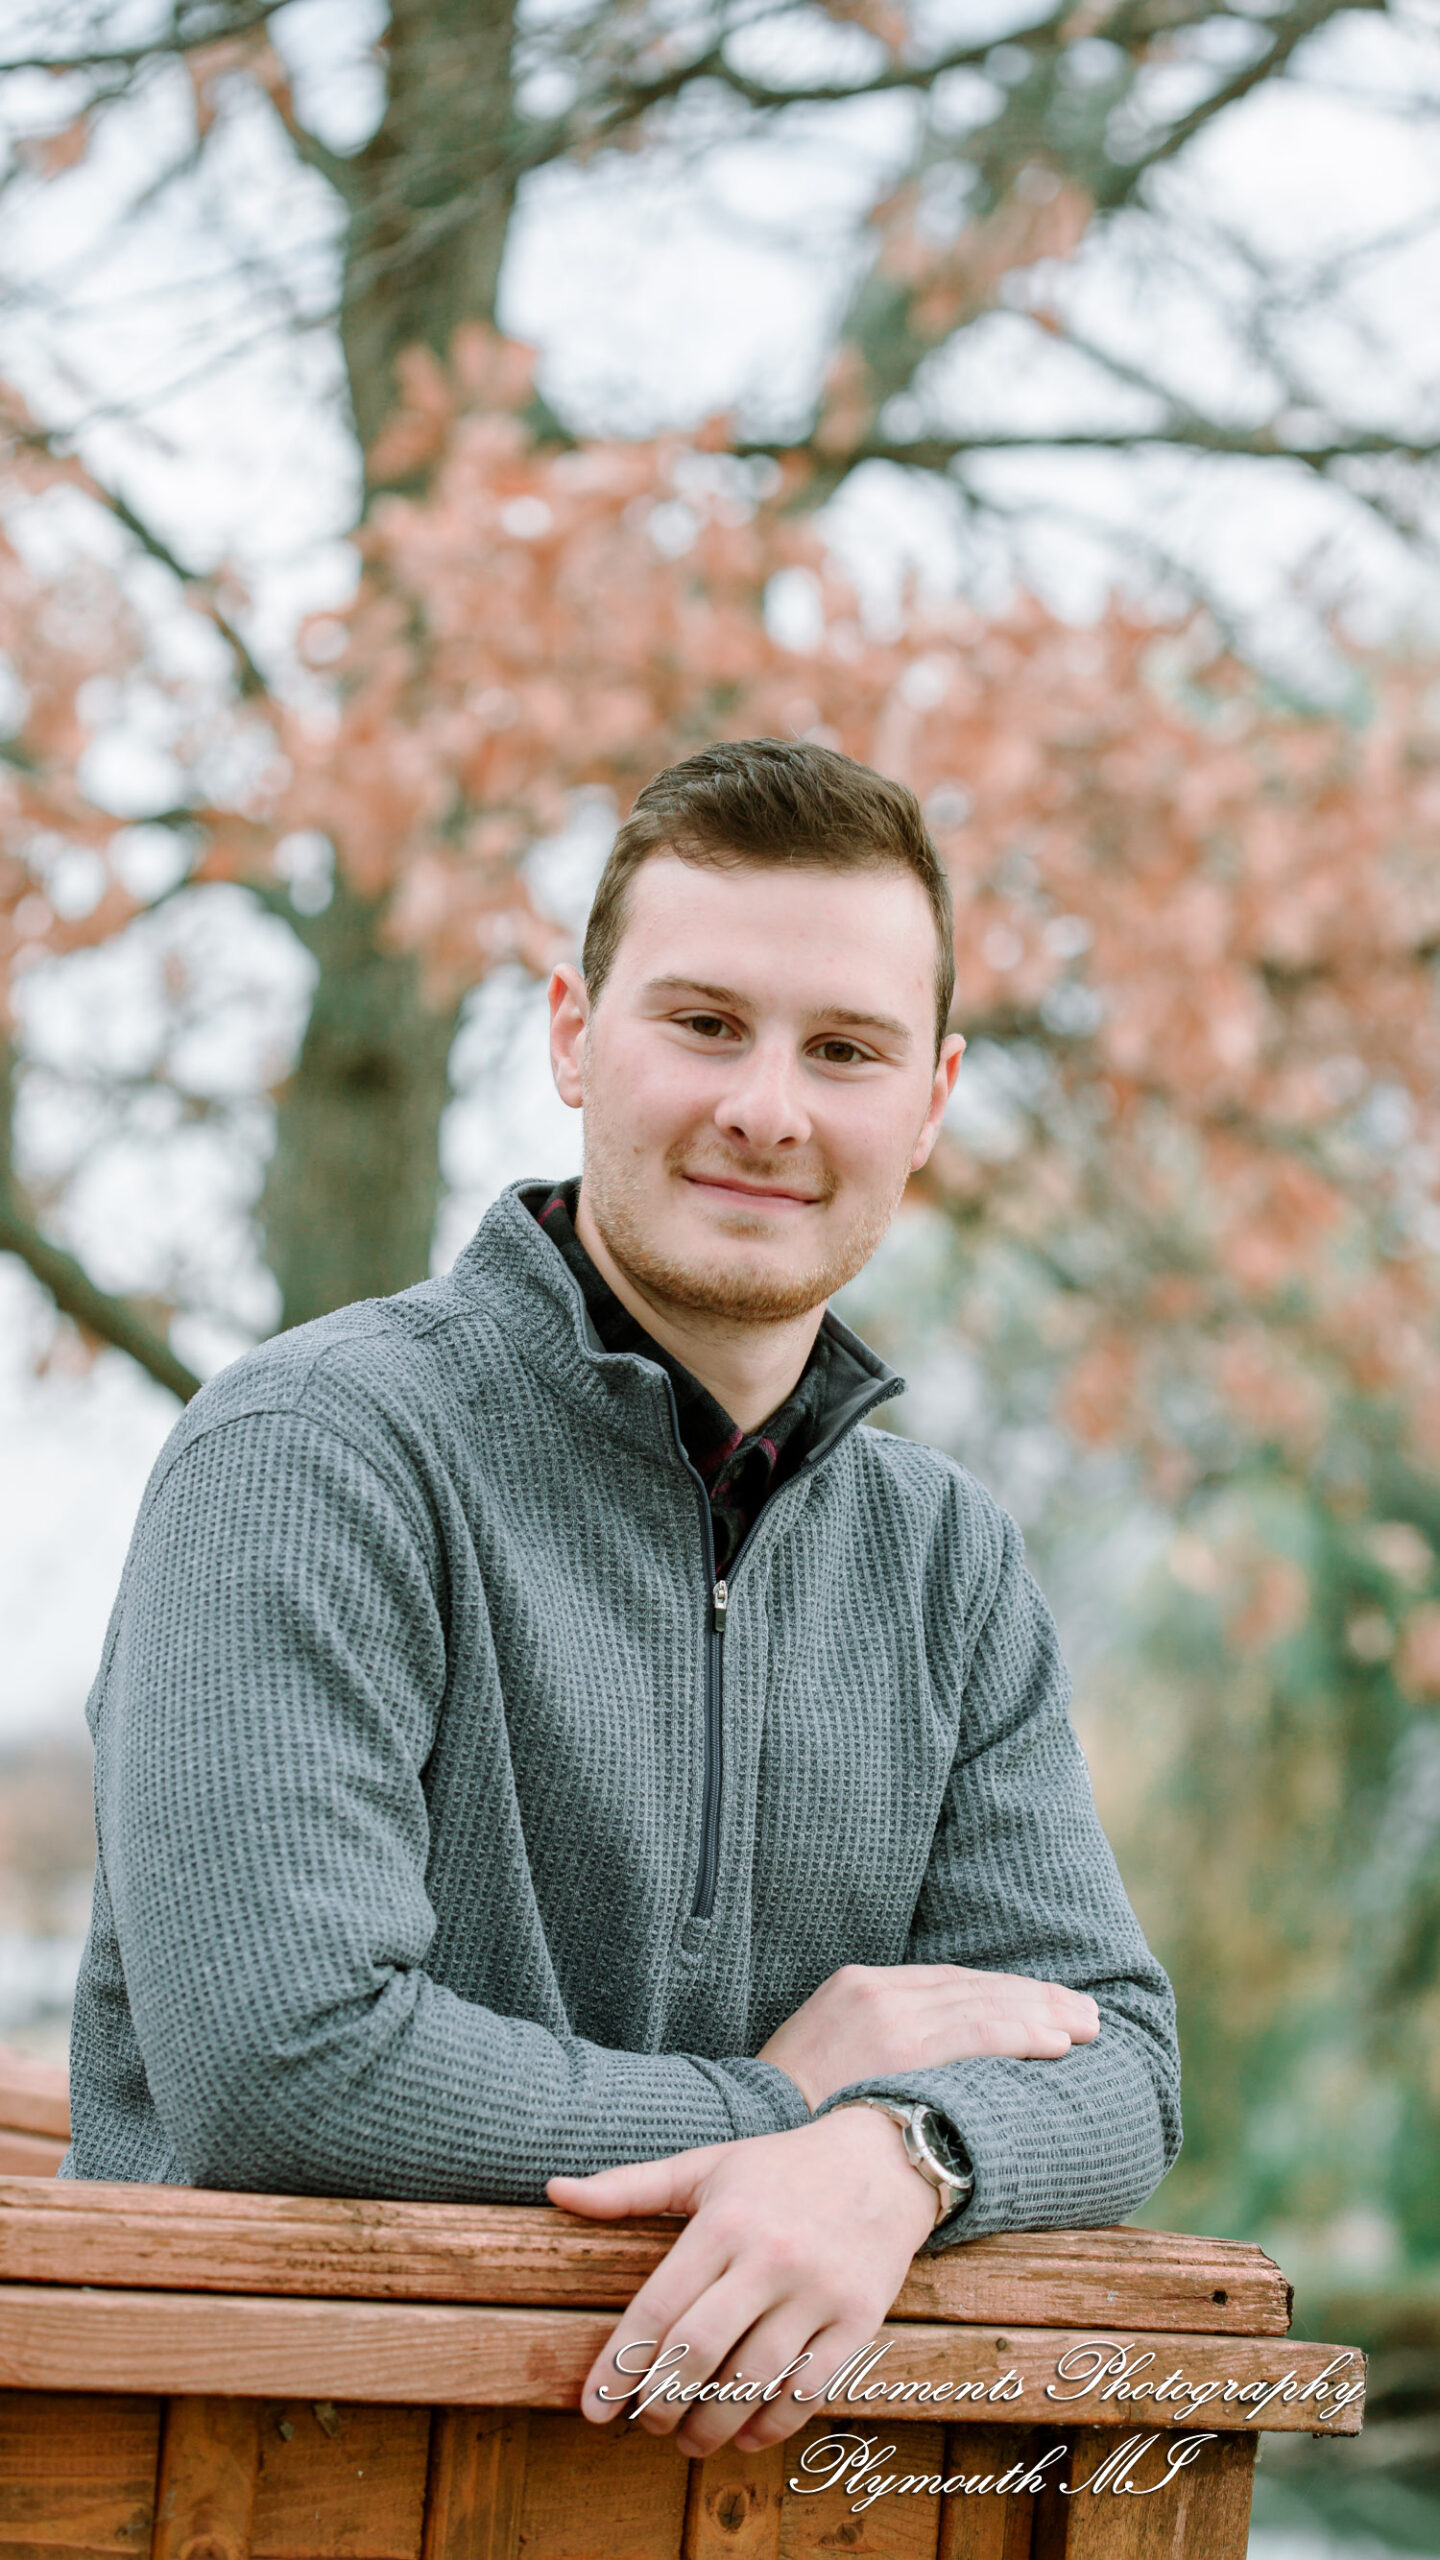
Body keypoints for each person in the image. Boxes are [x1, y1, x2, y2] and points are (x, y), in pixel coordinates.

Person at [63, 737, 1180, 2463]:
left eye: (845, 1050)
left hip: (726, 2508)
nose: (769, 1110)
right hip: (267, 2476)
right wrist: (785, 2100)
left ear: (933, 1098)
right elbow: (283, 2067)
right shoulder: (311, 1455)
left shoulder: (946, 1559)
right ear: (576, 1035)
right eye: (706, 1024)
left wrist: (897, 2154)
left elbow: (1118, 2057)